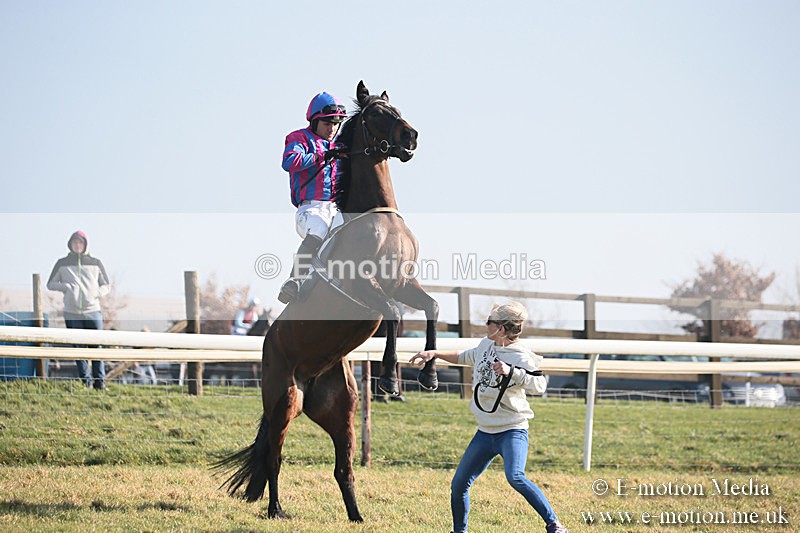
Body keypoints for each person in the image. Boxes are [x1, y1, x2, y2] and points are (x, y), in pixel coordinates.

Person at [410, 302, 569, 533]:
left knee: (515, 477)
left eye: (489, 322)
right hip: (485, 432)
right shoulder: (486, 345)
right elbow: (466, 356)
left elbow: (540, 385)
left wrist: (511, 372)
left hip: (512, 430)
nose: (485, 325)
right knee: (459, 485)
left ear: (501, 328)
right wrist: (434, 354)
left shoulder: (521, 355)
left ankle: (554, 524)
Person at [278, 91, 348, 303]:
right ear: (315, 121)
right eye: (327, 123)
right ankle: (293, 281)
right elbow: (289, 162)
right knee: (319, 227)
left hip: (335, 210)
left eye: (336, 124)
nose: (332, 129)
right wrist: (321, 155)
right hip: (310, 210)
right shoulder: (298, 138)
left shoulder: (339, 145)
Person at [47, 230, 110, 390]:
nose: (77, 245)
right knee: (78, 347)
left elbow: (106, 285)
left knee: (96, 346)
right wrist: (66, 287)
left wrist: (97, 293)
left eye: (80, 242)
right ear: (70, 244)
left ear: (85, 244)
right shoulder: (62, 263)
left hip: (93, 311)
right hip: (71, 312)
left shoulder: (95, 262)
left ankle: (100, 382)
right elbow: (50, 284)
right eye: (74, 242)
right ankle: (86, 382)